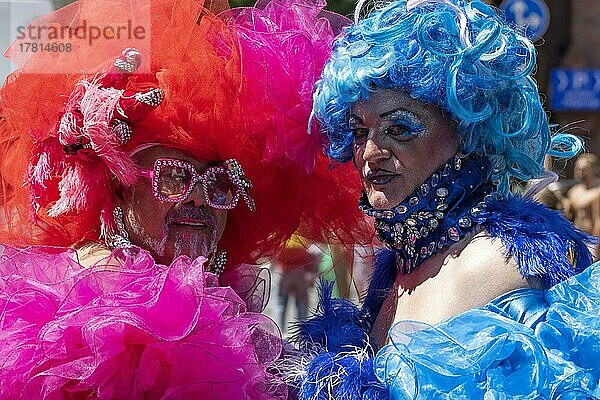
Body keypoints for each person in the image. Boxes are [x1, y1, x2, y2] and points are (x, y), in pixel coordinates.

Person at [0, 0, 361, 398]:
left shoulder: (228, 308)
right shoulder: (72, 320)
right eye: (175, 176)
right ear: (119, 187)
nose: (198, 199)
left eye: (219, 182)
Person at [287, 0, 600, 398]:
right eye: (359, 131)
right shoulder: (395, 273)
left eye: (399, 128)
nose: (370, 153)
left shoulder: (495, 262)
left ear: (468, 131)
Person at [568, 153, 600, 256]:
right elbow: (570, 217)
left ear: (593, 170)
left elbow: (598, 221)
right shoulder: (574, 192)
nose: (579, 171)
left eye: (584, 169)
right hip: (577, 240)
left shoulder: (597, 192)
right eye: (577, 168)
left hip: (592, 242)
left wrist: (596, 247)